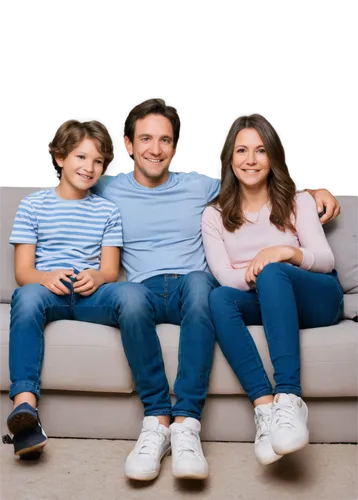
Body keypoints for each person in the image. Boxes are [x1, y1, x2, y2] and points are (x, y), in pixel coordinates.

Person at [90, 97, 341, 480]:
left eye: (165, 141)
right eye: (145, 139)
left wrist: (314, 199)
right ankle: (249, 411)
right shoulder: (117, 191)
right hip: (176, 291)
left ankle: (251, 407)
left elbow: (260, 183)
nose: (155, 150)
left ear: (177, 148)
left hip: (296, 292)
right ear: (127, 145)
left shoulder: (209, 187)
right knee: (216, 295)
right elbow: (70, 188)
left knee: (231, 281)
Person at [201, 111, 344, 466]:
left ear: (273, 158)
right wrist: (258, 270)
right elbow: (222, 276)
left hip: (318, 299)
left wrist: (283, 253)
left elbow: (325, 260)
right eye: (242, 151)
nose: (250, 160)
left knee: (274, 273)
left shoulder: (300, 201)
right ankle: (266, 411)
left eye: (261, 151)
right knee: (219, 298)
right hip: (265, 297)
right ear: (229, 158)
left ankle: (290, 400)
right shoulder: (214, 215)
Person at [2, 117, 123, 459]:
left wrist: (98, 277)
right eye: (81, 157)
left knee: (132, 297)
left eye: (98, 161)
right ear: (59, 158)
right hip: (46, 292)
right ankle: (24, 407)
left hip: (90, 295)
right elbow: (23, 271)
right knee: (24, 298)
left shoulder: (107, 210)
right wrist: (44, 277)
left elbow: (110, 270)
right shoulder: (33, 205)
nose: (89, 167)